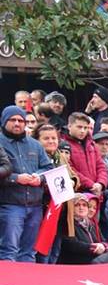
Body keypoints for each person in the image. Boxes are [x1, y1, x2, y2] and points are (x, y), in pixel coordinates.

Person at [0, 105, 54, 262]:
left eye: (21, 120)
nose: (17, 123)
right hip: (10, 205)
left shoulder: (35, 144)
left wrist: (40, 177)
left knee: (29, 252)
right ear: (4, 121)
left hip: (35, 206)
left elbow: (47, 167)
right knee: (8, 250)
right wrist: (16, 178)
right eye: (12, 120)